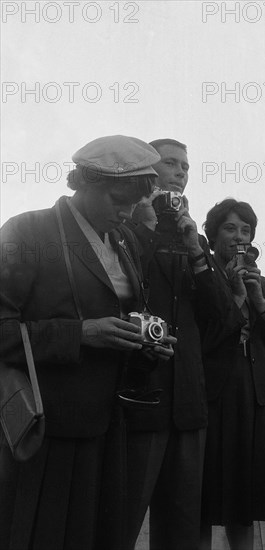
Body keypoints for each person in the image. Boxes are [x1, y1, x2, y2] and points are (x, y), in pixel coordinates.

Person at [0, 135, 171, 550]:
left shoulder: (125, 241)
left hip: (108, 429)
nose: (127, 212)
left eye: (135, 202)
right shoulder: (28, 231)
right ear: (84, 185)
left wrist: (145, 345)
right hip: (45, 432)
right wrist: (82, 333)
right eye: (117, 199)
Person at [118, 139, 230, 549]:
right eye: (171, 163)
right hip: (138, 401)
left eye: (186, 165)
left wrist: (197, 250)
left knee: (181, 529)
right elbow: (125, 291)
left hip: (186, 405)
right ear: (148, 172)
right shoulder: (124, 230)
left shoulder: (191, 238)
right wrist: (147, 225)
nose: (181, 171)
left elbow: (222, 315)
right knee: (121, 521)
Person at [199, 199, 265, 550]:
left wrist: (260, 300)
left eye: (246, 230)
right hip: (214, 401)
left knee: (244, 505)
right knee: (205, 504)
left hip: (254, 402)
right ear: (212, 235)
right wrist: (237, 300)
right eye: (229, 228)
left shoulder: (262, 284)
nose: (239, 237)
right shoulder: (201, 281)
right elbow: (201, 343)